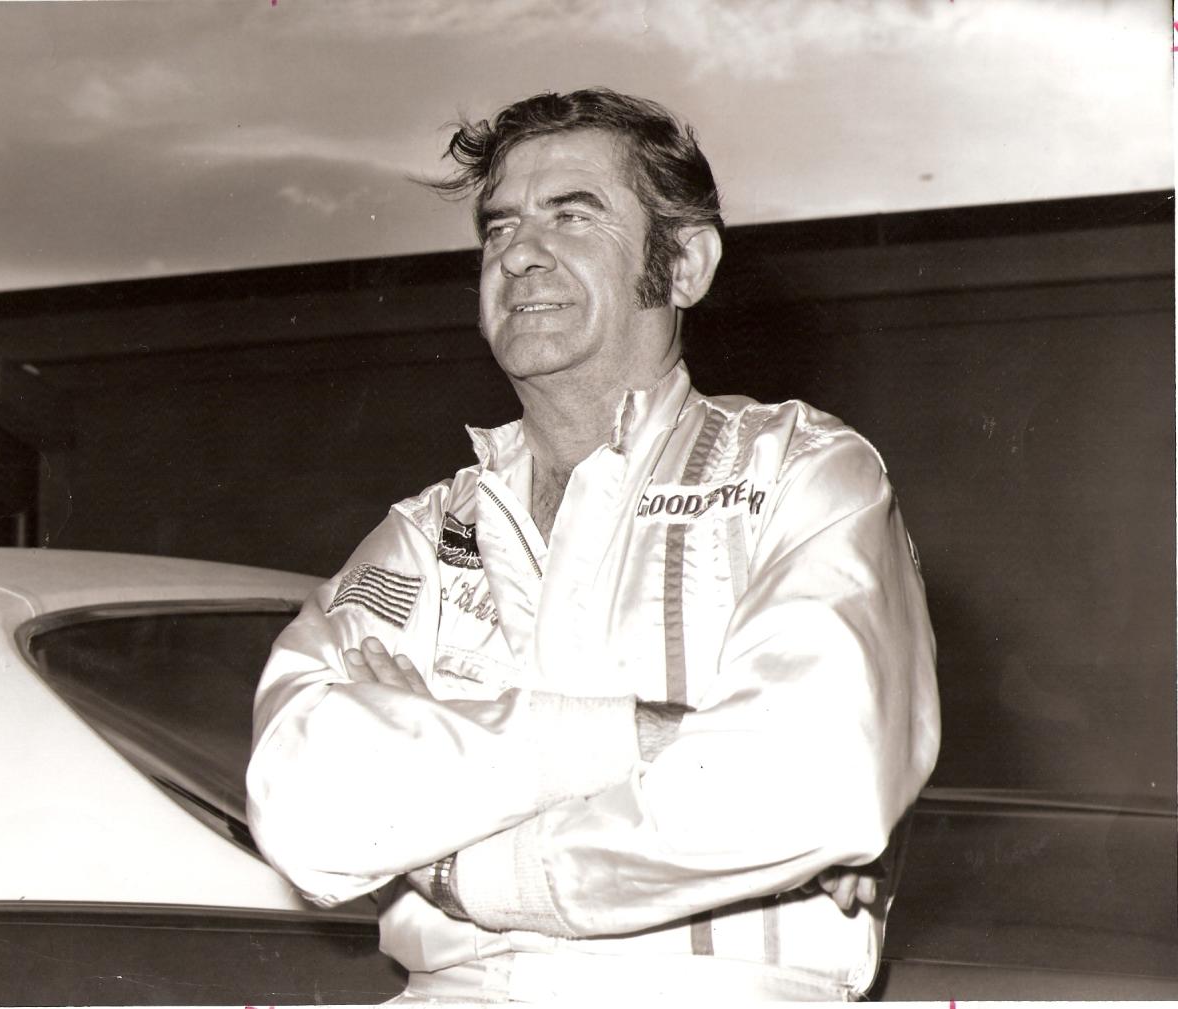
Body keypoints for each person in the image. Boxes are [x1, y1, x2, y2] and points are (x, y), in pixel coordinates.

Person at [246, 88, 940, 1003]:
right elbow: (302, 799)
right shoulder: (427, 530)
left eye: (572, 215)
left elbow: (806, 779)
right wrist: (649, 737)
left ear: (685, 264)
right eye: (499, 227)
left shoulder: (802, 473)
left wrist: (463, 861)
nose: (518, 254)